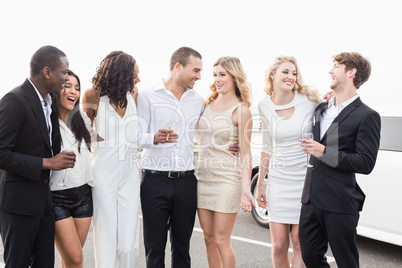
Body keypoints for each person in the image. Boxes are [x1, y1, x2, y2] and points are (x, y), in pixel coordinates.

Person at [298, 52, 381, 268]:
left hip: (339, 201)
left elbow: (365, 163)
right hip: (311, 198)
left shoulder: (366, 115)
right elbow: (331, 141)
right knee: (309, 256)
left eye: (336, 66)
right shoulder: (322, 108)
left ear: (351, 72)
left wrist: (325, 152)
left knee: (346, 262)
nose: (330, 70)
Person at [0, 45, 76, 268]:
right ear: (47, 72)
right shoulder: (14, 100)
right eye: (64, 72)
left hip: (44, 203)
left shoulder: (50, 102)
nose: (67, 77)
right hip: (18, 205)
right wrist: (48, 163)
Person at [137, 46, 205, 267]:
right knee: (155, 249)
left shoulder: (199, 101)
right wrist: (154, 138)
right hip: (155, 181)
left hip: (186, 181)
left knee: (183, 250)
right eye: (195, 70)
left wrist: (233, 143)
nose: (199, 76)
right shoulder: (147, 96)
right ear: (178, 67)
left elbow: (209, 132)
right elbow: (136, 136)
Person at [256, 56, 321, 268]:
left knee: (299, 242)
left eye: (294, 73)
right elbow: (266, 146)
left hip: (305, 179)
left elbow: (331, 117)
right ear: (272, 75)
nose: (290, 77)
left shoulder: (309, 100)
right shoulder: (263, 105)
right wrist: (260, 184)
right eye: (285, 72)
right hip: (278, 180)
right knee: (278, 245)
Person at [82, 51, 141, 267]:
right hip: (103, 174)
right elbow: (82, 134)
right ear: (120, 74)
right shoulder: (92, 96)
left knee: (128, 245)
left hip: (130, 174)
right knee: (105, 240)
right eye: (134, 76)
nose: (138, 80)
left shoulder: (133, 95)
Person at [196, 56, 255, 267]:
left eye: (222, 74)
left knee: (222, 240)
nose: (217, 79)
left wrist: (245, 189)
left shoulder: (242, 110)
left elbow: (246, 153)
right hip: (202, 179)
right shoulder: (207, 103)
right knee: (208, 239)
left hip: (227, 180)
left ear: (234, 77)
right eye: (215, 75)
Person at [50, 70, 94, 268]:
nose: (73, 92)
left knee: (70, 260)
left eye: (77, 87)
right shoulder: (46, 122)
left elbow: (103, 142)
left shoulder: (81, 119)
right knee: (76, 258)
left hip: (84, 195)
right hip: (57, 198)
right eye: (67, 85)